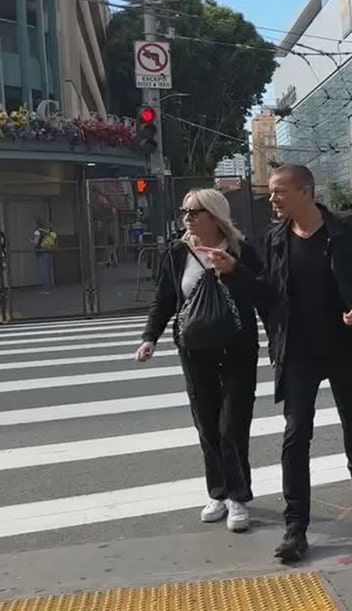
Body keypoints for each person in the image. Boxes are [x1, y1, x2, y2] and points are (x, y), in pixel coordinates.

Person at [256, 164, 352, 564]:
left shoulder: (348, 231)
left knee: (351, 415)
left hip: (342, 345)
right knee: (295, 433)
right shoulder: (275, 239)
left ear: (304, 192)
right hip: (299, 352)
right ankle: (295, 527)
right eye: (271, 193)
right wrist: (234, 273)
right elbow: (267, 295)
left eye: (279, 191)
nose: (273, 199)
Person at [137, 189, 263, 534]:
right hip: (194, 351)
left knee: (232, 425)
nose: (188, 218)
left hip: (237, 348)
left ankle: (239, 497)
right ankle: (218, 493)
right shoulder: (178, 253)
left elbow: (262, 293)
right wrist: (149, 337)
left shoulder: (241, 250)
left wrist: (234, 271)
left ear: (215, 216)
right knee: (206, 424)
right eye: (185, 211)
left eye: (195, 212)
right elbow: (163, 299)